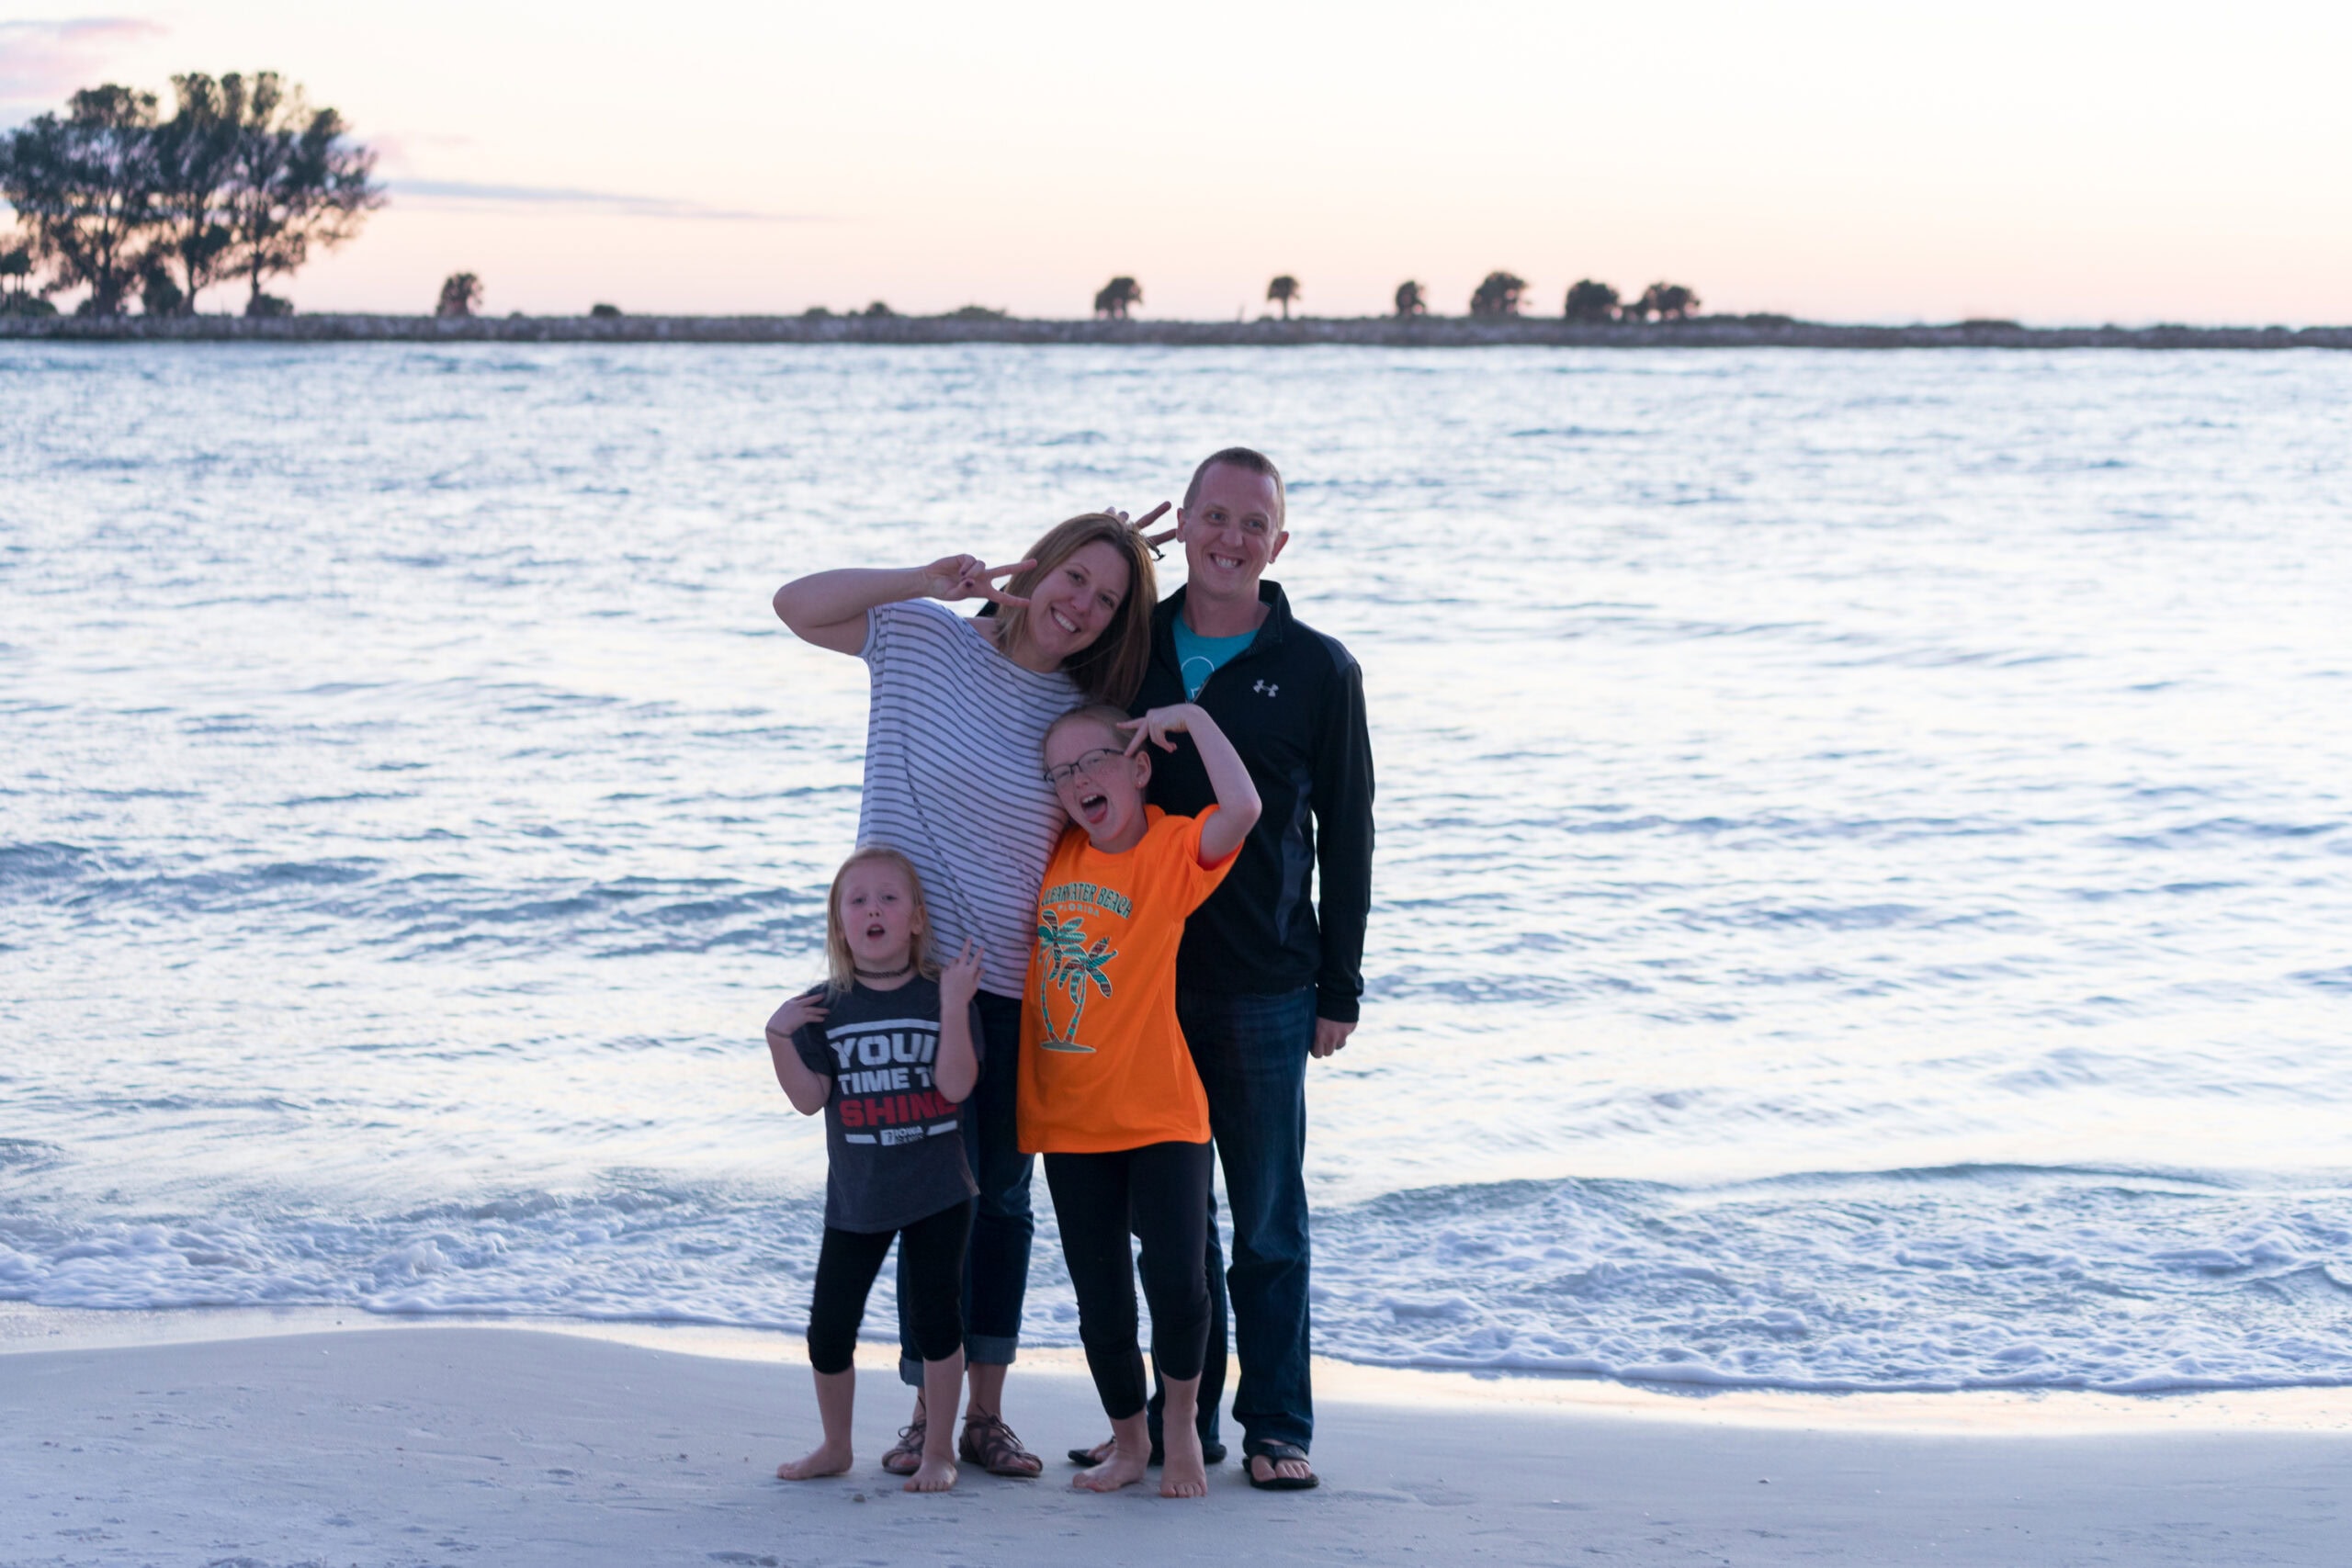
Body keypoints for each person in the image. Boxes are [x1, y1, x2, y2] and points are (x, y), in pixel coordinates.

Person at [771, 513, 1159, 1479]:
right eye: (1075, 578)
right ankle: (924, 1418)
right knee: (920, 1201)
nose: (1082, 605)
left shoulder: (1081, 715)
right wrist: (924, 577)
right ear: (1038, 565)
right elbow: (794, 605)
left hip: (1013, 990)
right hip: (896, 987)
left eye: (1108, 599)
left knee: (1001, 1204)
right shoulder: (921, 639)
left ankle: (982, 1414)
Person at [1073, 447, 1374, 1490]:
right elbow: (1017, 644)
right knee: (1168, 1227)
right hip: (1138, 981)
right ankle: (1175, 1423)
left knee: (1267, 1221)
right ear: (1185, 525)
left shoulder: (1320, 668)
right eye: (1214, 517)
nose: (1231, 538)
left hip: (1265, 982)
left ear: (1278, 544)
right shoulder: (1128, 646)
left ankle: (1277, 1426)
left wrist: (1339, 987)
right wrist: (1108, 545)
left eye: (1253, 523)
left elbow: (1349, 833)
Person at [1020, 700, 1261, 1499]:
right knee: (1101, 1298)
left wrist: (1192, 716)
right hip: (1069, 1118)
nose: (1078, 780)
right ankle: (1128, 1444)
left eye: (1094, 760)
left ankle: (1180, 1425)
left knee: (1179, 1283)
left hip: (1162, 1111)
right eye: (1061, 772)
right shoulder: (1055, 852)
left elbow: (1244, 808)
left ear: (1139, 767)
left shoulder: (1168, 847)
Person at [763, 847, 983, 1493]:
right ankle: (835, 1446)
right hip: (858, 1195)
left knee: (937, 1321)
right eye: (856, 901)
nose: (872, 910)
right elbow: (810, 1099)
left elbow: (956, 1087)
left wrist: (953, 1005)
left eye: (888, 897)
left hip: (938, 1190)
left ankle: (939, 1450)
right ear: (839, 924)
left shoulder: (943, 993)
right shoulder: (824, 1007)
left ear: (915, 919)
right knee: (829, 1328)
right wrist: (778, 1038)